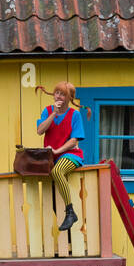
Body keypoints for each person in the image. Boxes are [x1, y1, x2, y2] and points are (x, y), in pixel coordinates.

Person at [35, 81, 85, 231]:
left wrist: (57, 150)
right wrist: (53, 114)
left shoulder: (75, 115)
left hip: (70, 154)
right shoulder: (48, 111)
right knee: (50, 191)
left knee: (57, 171)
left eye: (63, 94)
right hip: (51, 158)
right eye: (57, 92)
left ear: (69, 98)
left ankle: (70, 212)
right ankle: (66, 228)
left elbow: (74, 140)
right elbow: (40, 130)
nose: (58, 96)